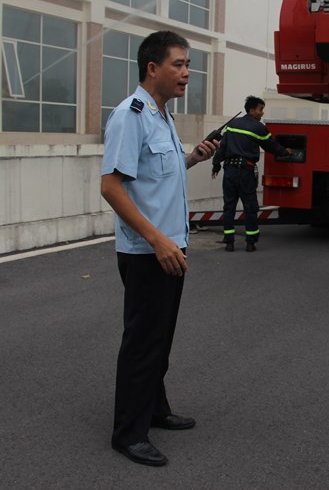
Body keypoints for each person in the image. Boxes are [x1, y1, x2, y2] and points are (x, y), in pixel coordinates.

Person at [100, 30, 218, 467]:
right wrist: (156, 239)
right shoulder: (130, 116)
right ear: (153, 68)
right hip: (148, 251)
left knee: (160, 337)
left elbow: (155, 177)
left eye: (188, 65)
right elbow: (111, 187)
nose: (187, 73)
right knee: (143, 342)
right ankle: (128, 433)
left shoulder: (162, 116)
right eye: (179, 64)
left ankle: (155, 408)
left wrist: (193, 158)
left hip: (171, 247)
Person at [211, 96, 292, 252]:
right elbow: (271, 146)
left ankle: (229, 242)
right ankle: (250, 243)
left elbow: (222, 147)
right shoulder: (258, 127)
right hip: (245, 172)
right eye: (260, 109)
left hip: (229, 171)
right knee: (250, 207)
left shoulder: (232, 125)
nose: (262, 113)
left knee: (229, 207)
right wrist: (285, 152)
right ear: (252, 110)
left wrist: (216, 165)